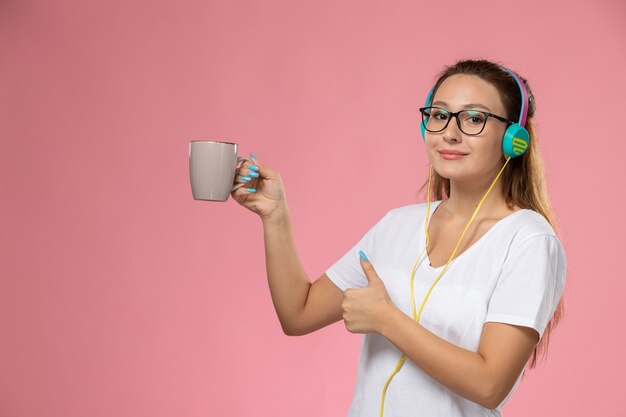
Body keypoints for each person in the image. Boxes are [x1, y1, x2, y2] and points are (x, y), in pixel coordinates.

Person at [230, 58, 567, 417]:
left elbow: (490, 385)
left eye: (473, 118)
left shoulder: (529, 241)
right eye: (439, 115)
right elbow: (298, 313)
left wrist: (386, 319)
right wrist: (275, 215)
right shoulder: (397, 226)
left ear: (514, 138)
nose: (449, 133)